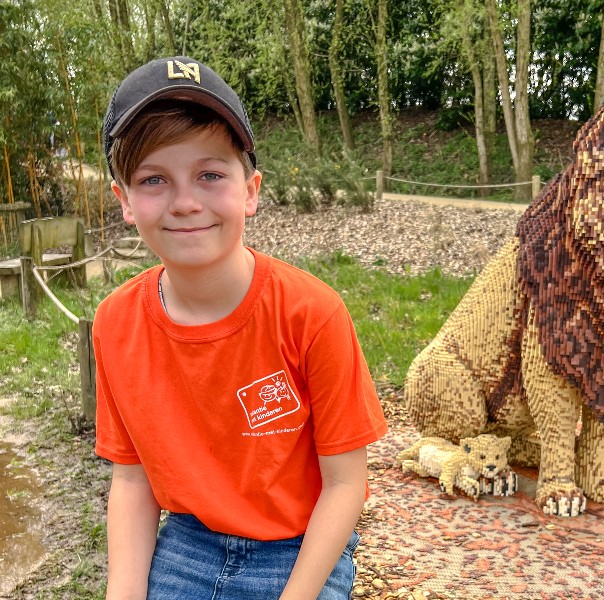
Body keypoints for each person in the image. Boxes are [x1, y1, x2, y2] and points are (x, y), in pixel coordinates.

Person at [94, 56, 388, 600]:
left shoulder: (313, 313)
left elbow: (346, 484)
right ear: (125, 202)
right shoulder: (115, 323)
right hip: (190, 539)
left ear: (250, 190)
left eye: (210, 174)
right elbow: (132, 480)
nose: (185, 202)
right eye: (154, 179)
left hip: (299, 544)